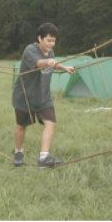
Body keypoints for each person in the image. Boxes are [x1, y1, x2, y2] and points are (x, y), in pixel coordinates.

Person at [11, 23, 75, 168]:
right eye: (48, 40)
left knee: (50, 122)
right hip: (24, 96)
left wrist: (64, 67)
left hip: (43, 96)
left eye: (54, 41)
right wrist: (48, 62)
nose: (51, 44)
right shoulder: (30, 50)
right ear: (40, 38)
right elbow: (40, 63)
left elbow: (53, 63)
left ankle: (44, 157)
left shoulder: (50, 52)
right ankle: (18, 153)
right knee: (21, 126)